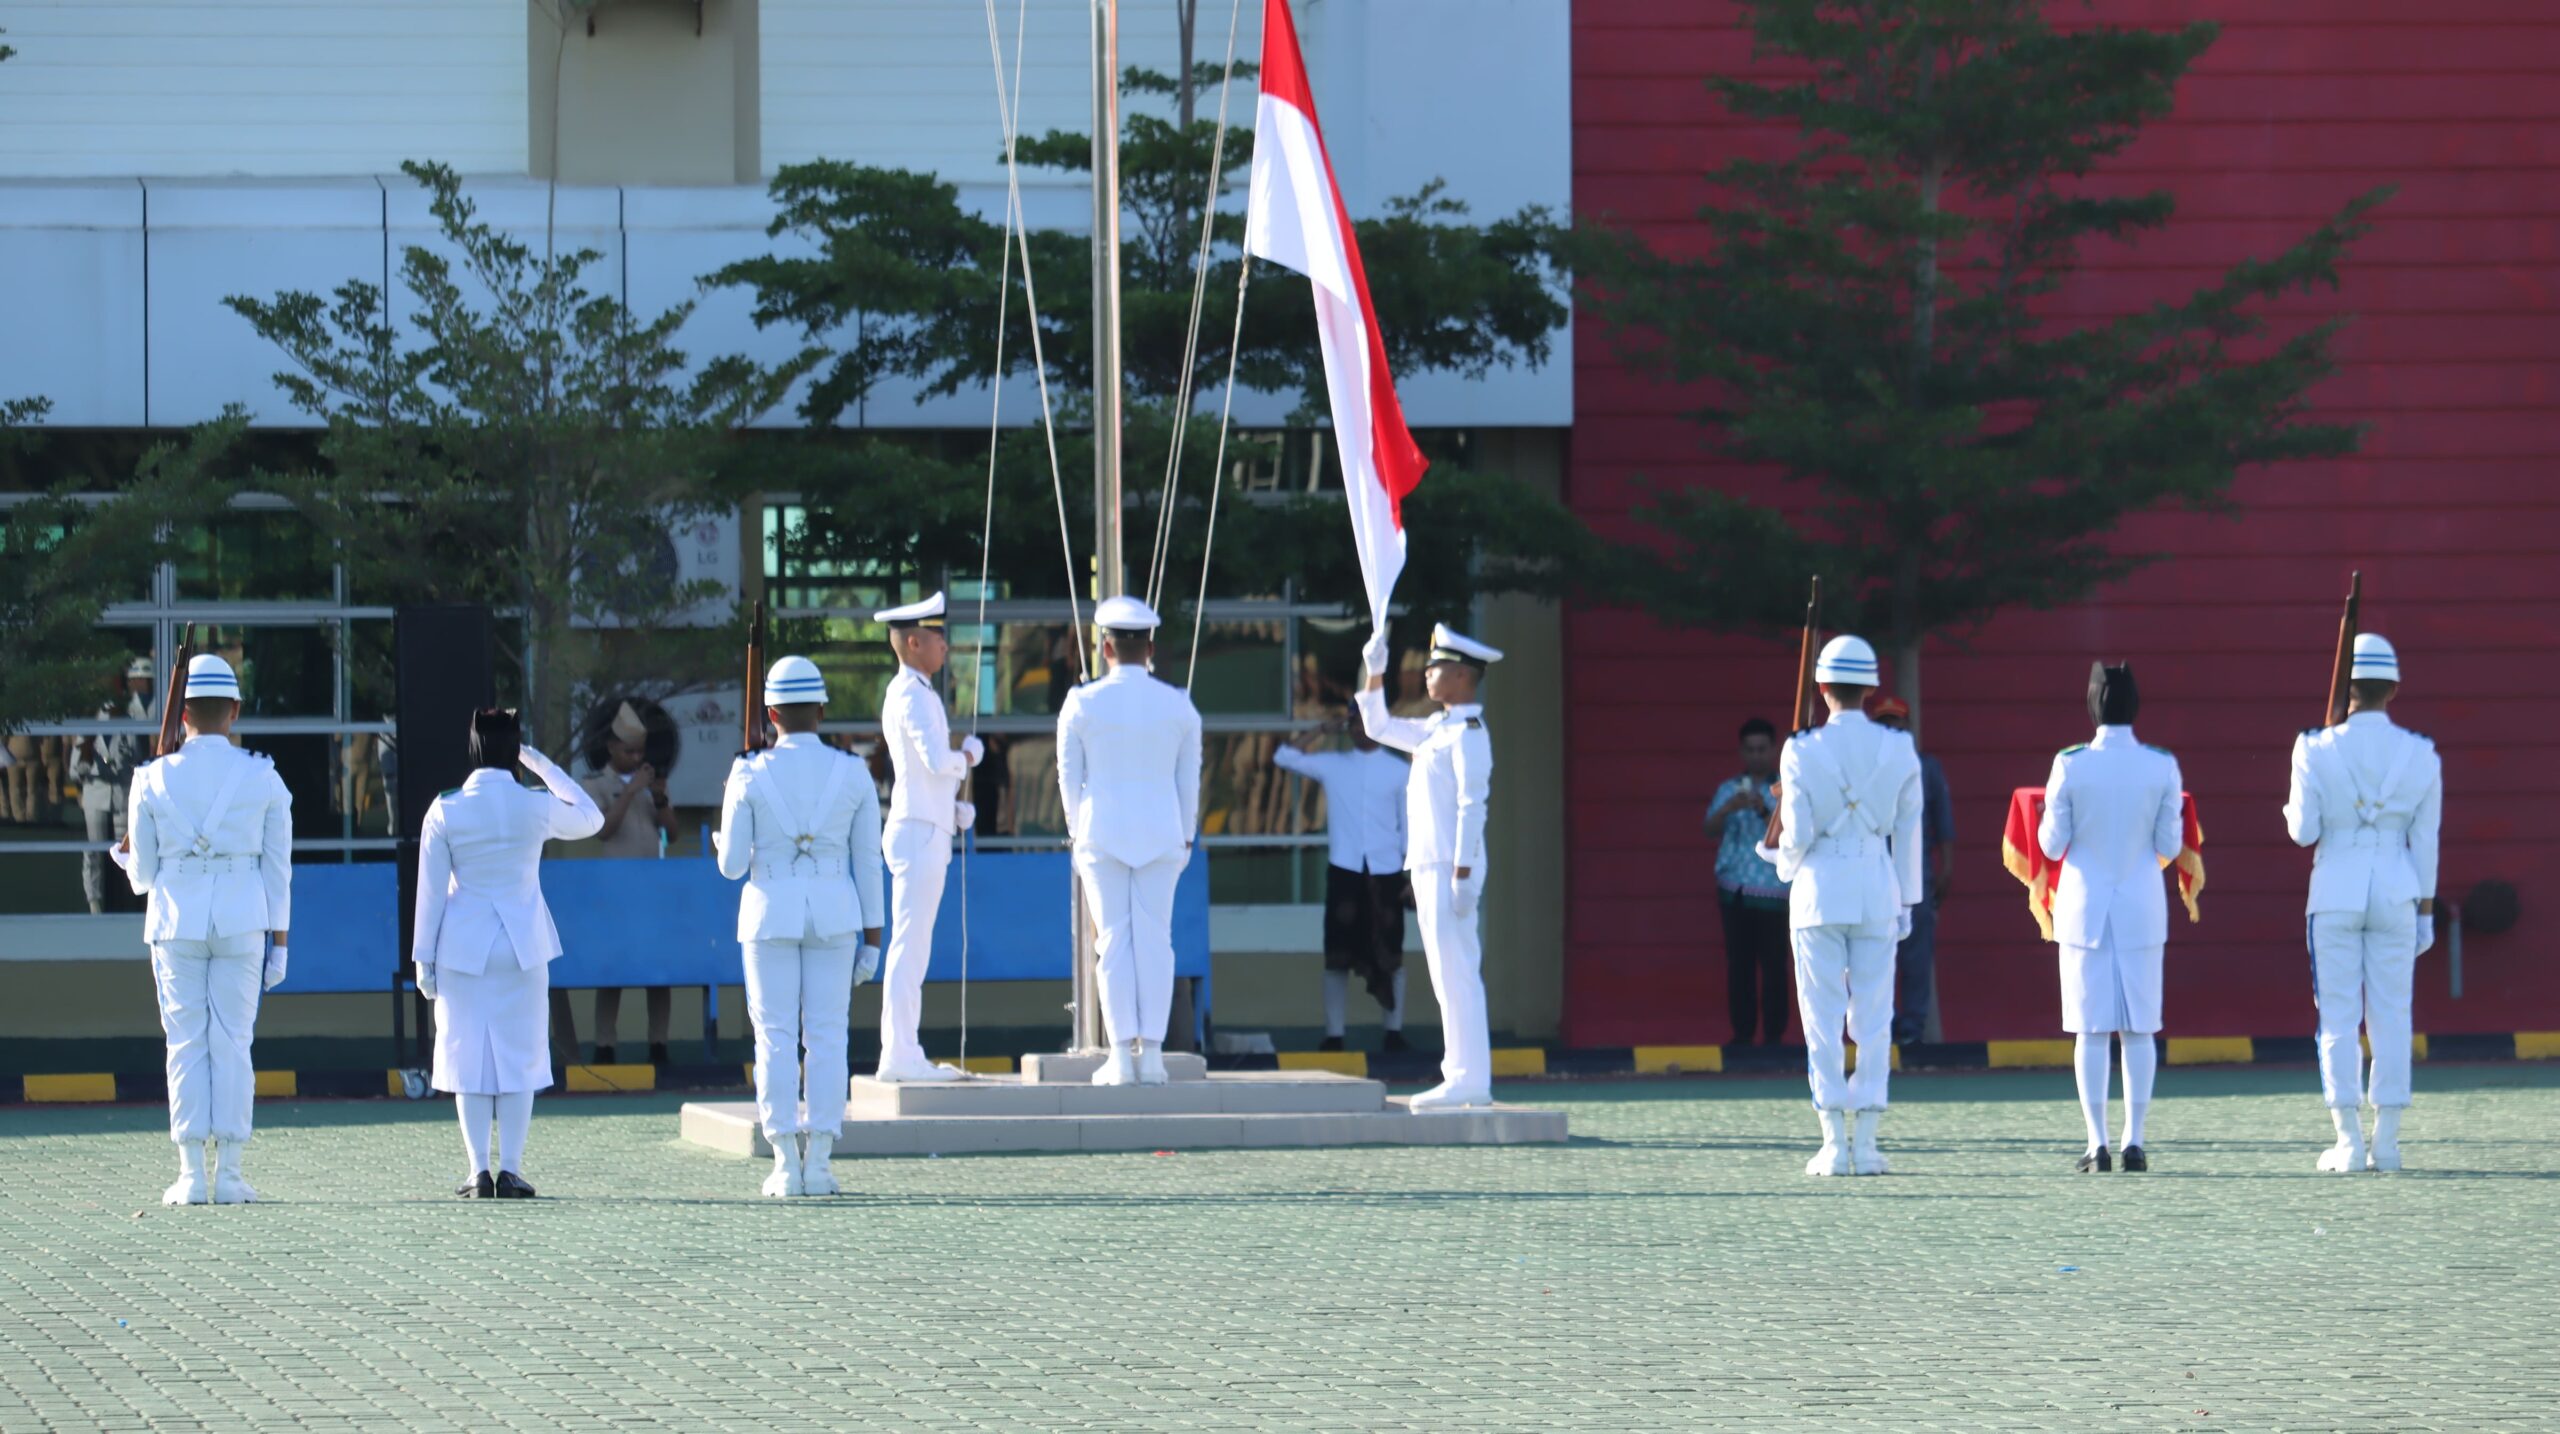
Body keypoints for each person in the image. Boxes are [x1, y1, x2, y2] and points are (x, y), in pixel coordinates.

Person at [412, 709, 604, 1200]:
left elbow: (430, 893)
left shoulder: (446, 807)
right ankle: (512, 1170)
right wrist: (541, 764)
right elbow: (591, 816)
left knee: (466, 1057)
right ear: (515, 751)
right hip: (522, 944)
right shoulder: (533, 804)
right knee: (520, 1055)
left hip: (462, 946)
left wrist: (423, 958)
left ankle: (478, 1172)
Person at [122, 655, 292, 1206]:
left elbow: (142, 878)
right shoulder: (263, 775)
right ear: (235, 712)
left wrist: (121, 853)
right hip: (244, 920)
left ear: (182, 713)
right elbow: (277, 869)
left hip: (175, 921)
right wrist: (280, 944)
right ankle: (232, 1174)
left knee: (186, 1043)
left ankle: (192, 1173)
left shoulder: (149, 778)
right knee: (233, 1043)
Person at [716, 656, 887, 1197]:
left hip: (769, 914)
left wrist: (725, 838)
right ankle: (822, 1162)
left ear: (770, 713)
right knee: (828, 1036)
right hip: (836, 914)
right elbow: (869, 862)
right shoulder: (853, 771)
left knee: (775, 1038)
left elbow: (732, 867)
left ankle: (785, 1161)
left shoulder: (746, 771)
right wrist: (874, 940)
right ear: (821, 709)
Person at [1764, 635, 1922, 1176]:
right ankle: (1870, 1142)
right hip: (1878, 886)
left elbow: (1799, 833)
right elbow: (1909, 831)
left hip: (1819, 889)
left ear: (1822, 687)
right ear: (1872, 688)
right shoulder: (1899, 748)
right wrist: (1908, 901)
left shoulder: (1800, 749)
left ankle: (1833, 1142)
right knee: (1875, 1015)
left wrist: (1780, 860)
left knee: (1822, 1016)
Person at [2284, 633, 2442, 1173]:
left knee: (2338, 1016)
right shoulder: (2421, 753)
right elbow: (2426, 840)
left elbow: (2302, 832)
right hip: (2398, 889)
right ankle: (2389, 1142)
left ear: (2344, 687)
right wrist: (2425, 910)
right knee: (2393, 1016)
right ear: (2393, 688)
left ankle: (2348, 1142)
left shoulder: (2313, 747)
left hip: (2336, 890)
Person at [2037, 663, 2183, 1175]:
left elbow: (2051, 844)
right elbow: (2169, 844)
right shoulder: (2161, 765)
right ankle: (2134, 1141)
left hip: (2084, 905)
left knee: (2090, 1029)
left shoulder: (2070, 764)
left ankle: (2096, 1143)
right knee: (2139, 1029)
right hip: (2141, 903)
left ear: (2091, 703)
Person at [1056, 596, 1204, 1086]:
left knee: (1114, 943)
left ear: (1104, 647)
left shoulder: (1081, 702)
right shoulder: (1179, 704)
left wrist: (1078, 833)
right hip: (1164, 835)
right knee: (1156, 942)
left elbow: (1068, 776)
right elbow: (1190, 780)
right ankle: (1155, 1056)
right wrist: (1185, 836)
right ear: (1151, 647)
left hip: (1102, 835)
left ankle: (1121, 1056)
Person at [1355, 622, 1500, 1110]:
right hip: (1430, 865)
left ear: (1461, 676)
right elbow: (1378, 727)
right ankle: (1463, 1075)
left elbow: (1472, 805)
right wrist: (1374, 673)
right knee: (1447, 973)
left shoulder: (1468, 732)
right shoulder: (1437, 728)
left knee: (1457, 971)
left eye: (1436, 667)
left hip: (1449, 867)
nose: (1427, 673)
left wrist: (1462, 876)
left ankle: (1468, 1078)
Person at [873, 592, 979, 1083]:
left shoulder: (918, 691)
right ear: (913, 642)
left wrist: (950, 806)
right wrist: (969, 759)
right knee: (910, 946)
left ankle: (904, 1049)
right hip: (916, 830)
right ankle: (899, 1054)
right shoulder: (911, 694)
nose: (945, 646)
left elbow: (922, 771)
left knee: (914, 945)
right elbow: (937, 760)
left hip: (925, 823)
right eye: (938, 637)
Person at [1272, 708, 1412, 1053]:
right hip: (1345, 870)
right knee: (1336, 955)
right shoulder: (1333, 764)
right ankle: (1334, 1034)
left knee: (1390, 953)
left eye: (1366, 723)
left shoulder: (1400, 771)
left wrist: (1411, 875)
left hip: (1387, 873)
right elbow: (1284, 756)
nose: (1359, 730)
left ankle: (1393, 1032)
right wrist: (1322, 728)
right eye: (1354, 723)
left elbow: (1410, 827)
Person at [578, 698, 673, 1065]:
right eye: (629, 751)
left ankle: (659, 1044)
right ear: (612, 748)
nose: (636, 758)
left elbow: (673, 832)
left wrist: (660, 797)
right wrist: (632, 790)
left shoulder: (651, 782)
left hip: (652, 892)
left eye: (640, 751)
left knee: (659, 970)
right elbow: (603, 830)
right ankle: (605, 1045)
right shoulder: (596, 785)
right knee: (611, 969)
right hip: (616, 892)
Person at [1867, 695, 1955, 1043]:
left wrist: (1946, 868)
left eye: (1897, 722)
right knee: (1876, 955)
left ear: (1908, 727)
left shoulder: (1926, 767)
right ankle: (1883, 1025)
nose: (1891, 729)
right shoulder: (1865, 768)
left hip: (1916, 878)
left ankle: (1913, 1029)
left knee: (1916, 957)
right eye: (1884, 723)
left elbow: (1943, 823)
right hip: (1873, 877)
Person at [1704, 717, 1790, 1045]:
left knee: (1774, 967)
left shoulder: (1785, 789)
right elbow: (1709, 829)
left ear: (1773, 750)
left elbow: (1791, 834)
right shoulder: (1729, 788)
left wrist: (1763, 810)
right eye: (1750, 750)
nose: (1756, 756)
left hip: (1774, 892)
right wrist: (1729, 808)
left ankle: (1773, 1036)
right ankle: (1742, 1034)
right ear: (1742, 751)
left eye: (1762, 749)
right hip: (1734, 892)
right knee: (1739, 966)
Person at [76, 657, 155, 914]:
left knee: (127, 849)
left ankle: (129, 902)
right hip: (96, 789)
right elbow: (75, 765)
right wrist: (86, 762)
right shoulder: (90, 716)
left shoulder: (130, 712)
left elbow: (138, 753)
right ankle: (94, 904)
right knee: (94, 850)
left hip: (122, 789)